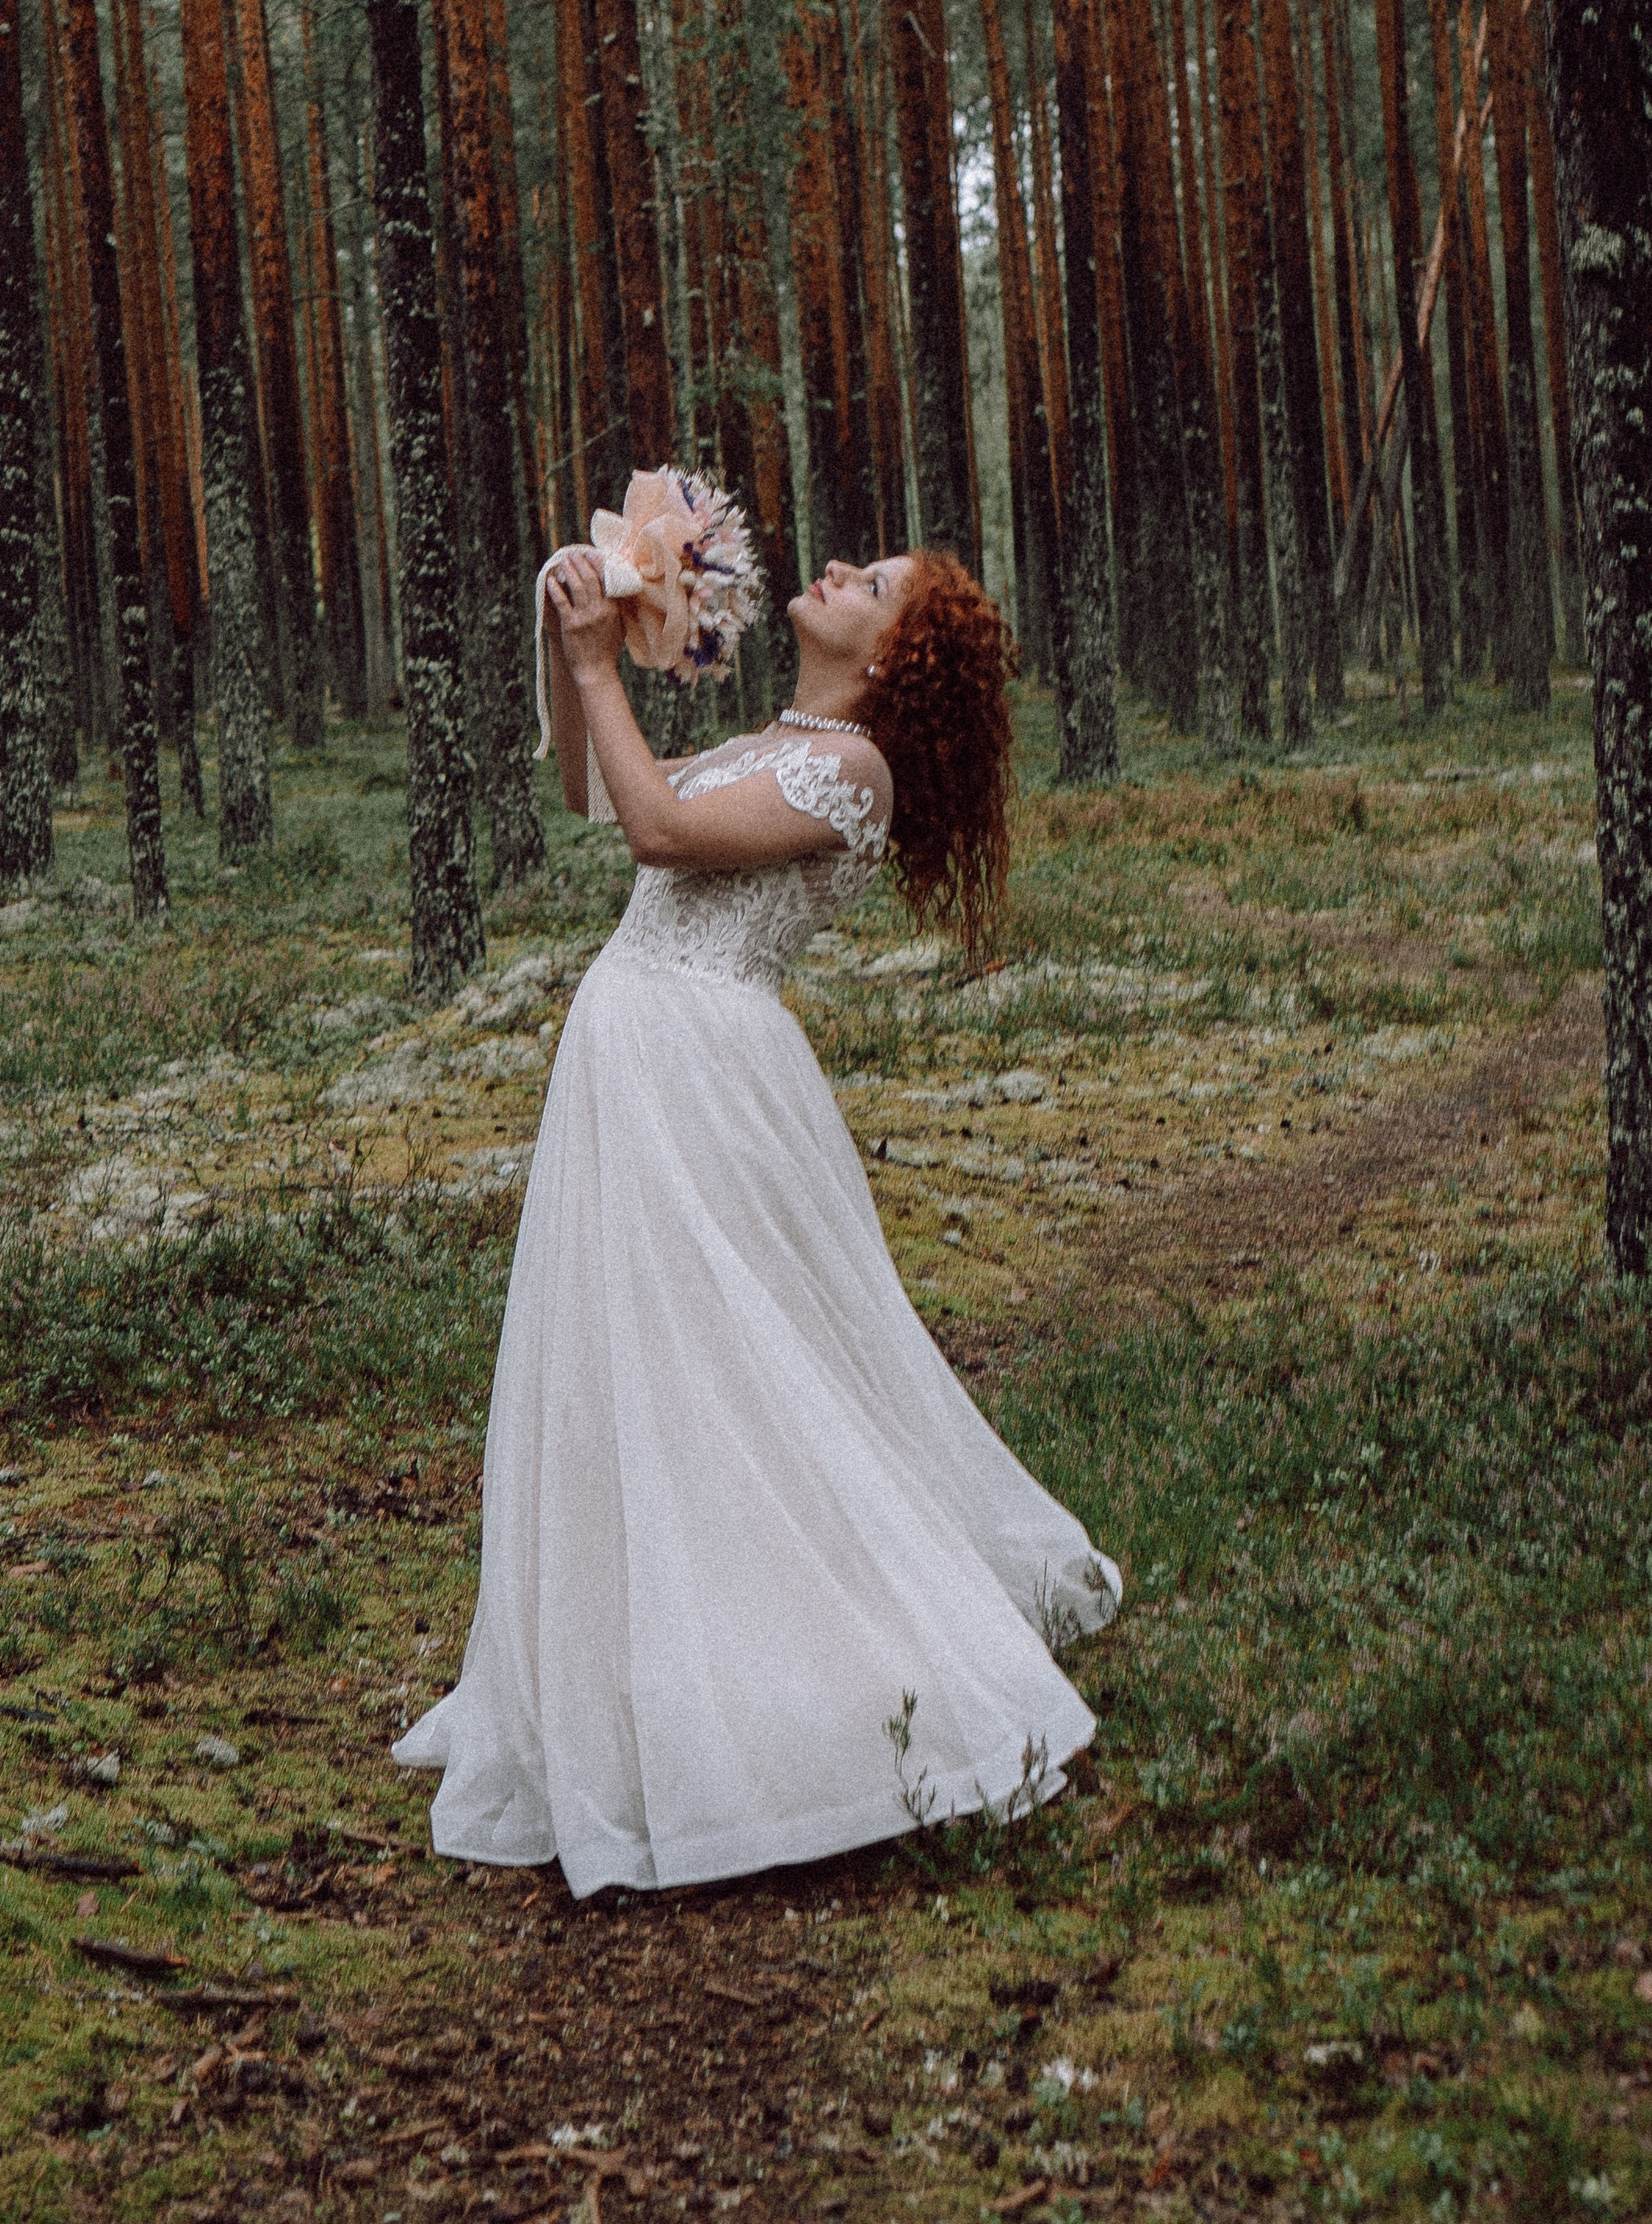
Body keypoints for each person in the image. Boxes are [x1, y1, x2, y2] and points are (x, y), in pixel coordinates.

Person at [393, 547, 1121, 1896]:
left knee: (743, 1378)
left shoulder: (856, 774)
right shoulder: (765, 737)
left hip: (704, 1078)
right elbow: (588, 789)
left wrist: (611, 673)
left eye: (874, 582)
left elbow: (661, 833)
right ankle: (648, 1673)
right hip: (631, 1057)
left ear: (894, 652)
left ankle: (789, 1691)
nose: (839, 568)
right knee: (638, 1376)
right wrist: (577, 644)